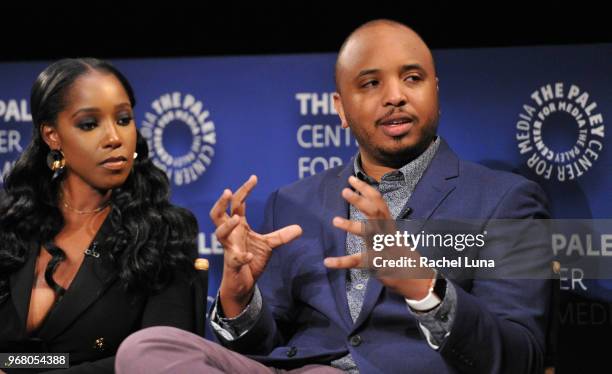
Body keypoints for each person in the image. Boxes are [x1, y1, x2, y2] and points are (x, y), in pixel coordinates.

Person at [116, 19, 552, 373]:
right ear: (340, 109)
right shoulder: (293, 202)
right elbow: (266, 344)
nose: (396, 96)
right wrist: (239, 299)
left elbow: (521, 357)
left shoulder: (507, 202)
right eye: (370, 84)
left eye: (412, 78)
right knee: (147, 349)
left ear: (435, 90)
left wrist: (424, 286)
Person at [0, 58, 199, 373]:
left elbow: (160, 360)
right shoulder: (9, 222)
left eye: (123, 119)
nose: (114, 138)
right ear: (52, 136)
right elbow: (24, 359)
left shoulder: (164, 230)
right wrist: (22, 366)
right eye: (89, 124)